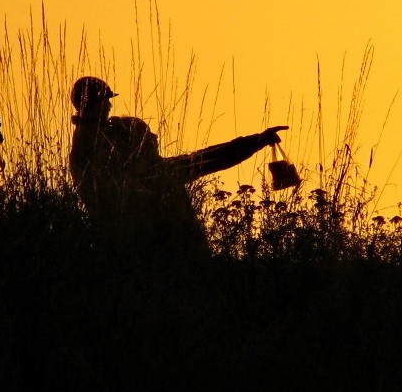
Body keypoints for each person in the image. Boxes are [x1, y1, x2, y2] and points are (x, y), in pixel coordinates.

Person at [68, 76, 288, 257]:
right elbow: (209, 159)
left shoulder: (98, 143)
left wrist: (258, 140)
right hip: (161, 255)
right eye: (147, 137)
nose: (155, 138)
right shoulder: (147, 175)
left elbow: (206, 157)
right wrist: (258, 141)